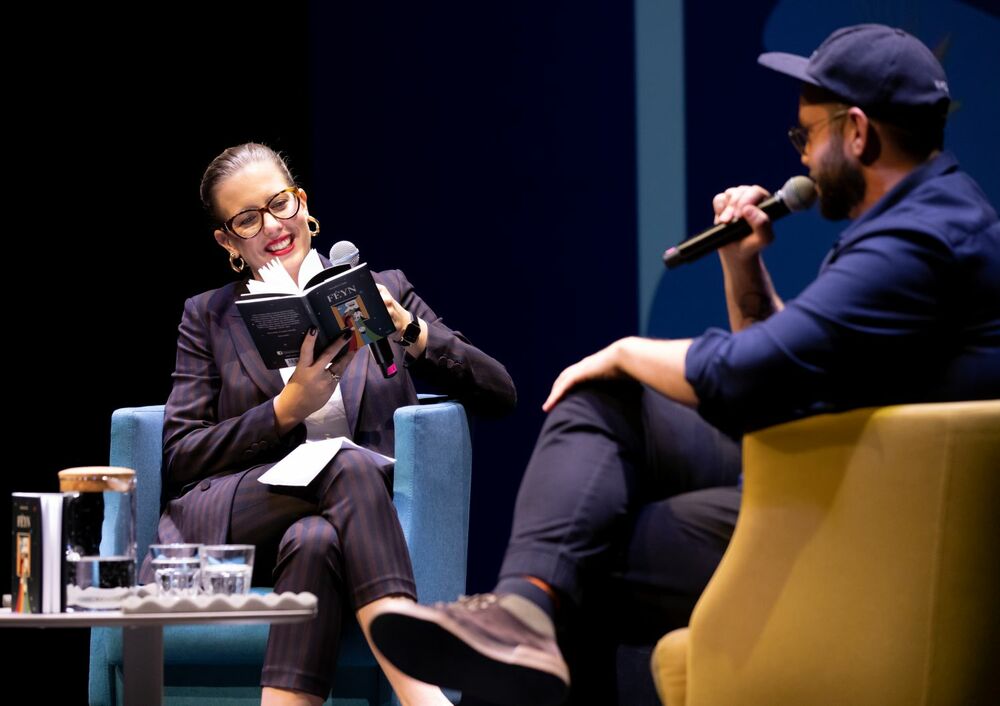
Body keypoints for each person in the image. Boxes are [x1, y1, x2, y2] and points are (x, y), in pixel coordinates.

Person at [367, 23, 1000, 706]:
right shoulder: (926, 218)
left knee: (584, 560)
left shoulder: (915, 244)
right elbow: (790, 375)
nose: (805, 160)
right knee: (605, 408)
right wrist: (742, 264)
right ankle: (523, 608)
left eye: (807, 136)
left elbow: (748, 374)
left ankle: (527, 609)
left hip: (873, 515)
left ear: (857, 133)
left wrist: (627, 350)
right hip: (842, 463)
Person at [140, 142, 517, 706]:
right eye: (248, 219)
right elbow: (182, 453)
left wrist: (411, 330)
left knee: (315, 541)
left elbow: (498, 394)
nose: (273, 226)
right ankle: (422, 691)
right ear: (227, 241)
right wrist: (285, 409)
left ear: (303, 203)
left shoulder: (380, 289)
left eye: (280, 204)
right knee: (343, 462)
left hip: (355, 530)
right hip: (244, 517)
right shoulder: (208, 317)